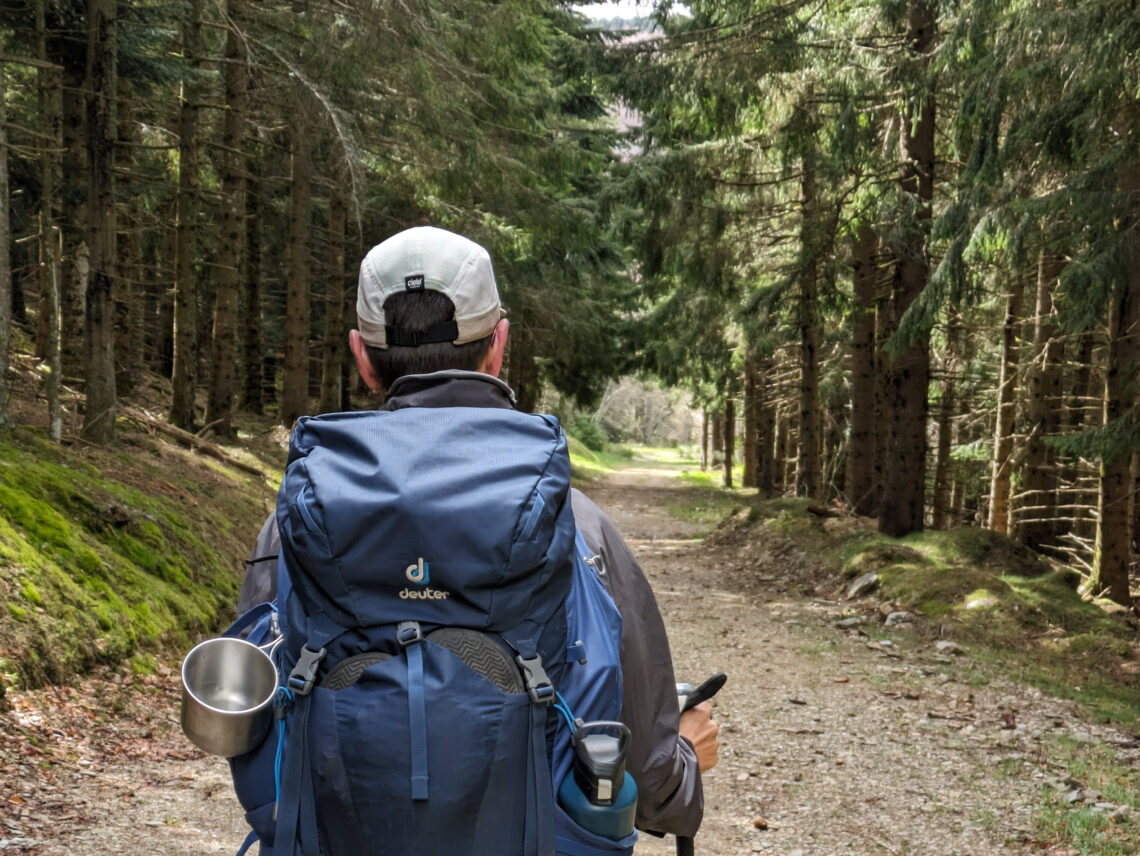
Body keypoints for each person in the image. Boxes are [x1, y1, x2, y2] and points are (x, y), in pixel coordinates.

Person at [237, 225, 718, 840]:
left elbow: (253, 735)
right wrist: (686, 757)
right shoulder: (577, 527)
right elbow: (651, 783)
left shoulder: (294, 526)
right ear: (499, 346)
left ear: (363, 358)